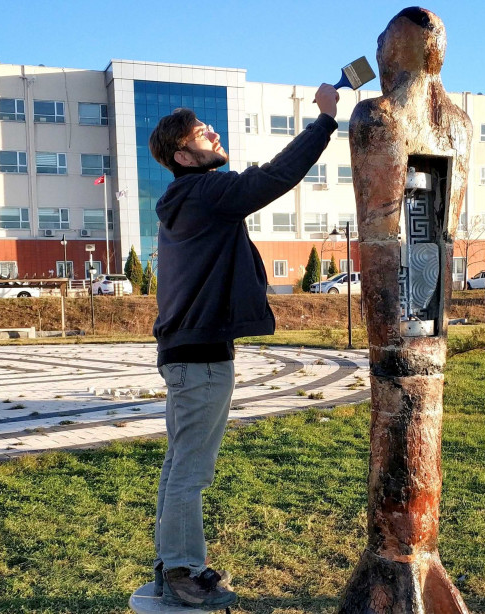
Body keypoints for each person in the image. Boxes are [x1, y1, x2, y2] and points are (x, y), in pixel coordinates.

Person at [147, 83, 339, 609]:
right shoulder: (206, 193)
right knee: (190, 470)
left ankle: (170, 564)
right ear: (184, 155)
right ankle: (184, 570)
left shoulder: (187, 202)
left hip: (186, 355)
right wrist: (324, 120)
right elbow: (275, 177)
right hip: (203, 358)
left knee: (177, 465)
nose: (213, 133)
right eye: (201, 133)